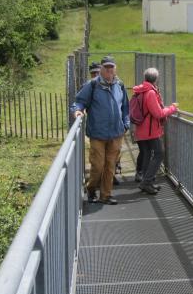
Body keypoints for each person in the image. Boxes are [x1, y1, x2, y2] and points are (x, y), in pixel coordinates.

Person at [74, 56, 129, 205]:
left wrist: (126, 123)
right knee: (98, 165)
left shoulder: (120, 85)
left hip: (116, 133)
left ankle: (106, 195)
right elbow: (79, 101)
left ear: (115, 69)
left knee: (110, 166)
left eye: (112, 68)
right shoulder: (92, 85)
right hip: (98, 133)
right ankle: (91, 188)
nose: (109, 70)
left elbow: (125, 107)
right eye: (107, 68)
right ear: (101, 70)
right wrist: (78, 110)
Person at [133, 68, 178, 194]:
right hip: (150, 130)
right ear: (156, 79)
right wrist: (172, 108)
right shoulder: (150, 93)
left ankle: (148, 182)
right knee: (159, 153)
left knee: (148, 154)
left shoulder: (141, 90)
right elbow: (158, 113)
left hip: (142, 128)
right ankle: (147, 182)